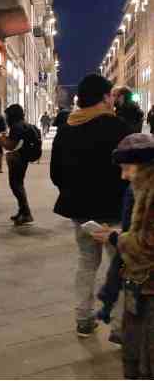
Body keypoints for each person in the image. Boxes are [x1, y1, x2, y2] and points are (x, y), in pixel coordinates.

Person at [50, 74, 131, 339]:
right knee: (119, 267)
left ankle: (83, 319)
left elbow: (56, 174)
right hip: (113, 213)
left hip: (81, 213)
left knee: (86, 263)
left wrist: (74, 194)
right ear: (105, 97)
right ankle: (120, 328)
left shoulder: (67, 128)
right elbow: (132, 171)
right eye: (109, 96)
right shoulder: (118, 127)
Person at [91, 133, 154, 378]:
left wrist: (116, 239)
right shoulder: (141, 190)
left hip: (148, 287)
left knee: (144, 356)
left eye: (127, 168)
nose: (123, 175)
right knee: (133, 351)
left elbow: (148, 243)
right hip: (139, 283)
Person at [0, 104, 35, 225]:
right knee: (18, 185)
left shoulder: (16, 127)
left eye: (7, 115)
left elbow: (10, 145)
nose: (6, 117)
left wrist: (0, 138)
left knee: (16, 186)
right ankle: (22, 211)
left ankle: (26, 213)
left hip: (17, 159)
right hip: (22, 158)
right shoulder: (24, 124)